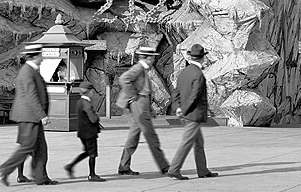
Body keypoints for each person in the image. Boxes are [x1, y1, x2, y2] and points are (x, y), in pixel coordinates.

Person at [0, 43, 57, 186]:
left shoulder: (31, 70)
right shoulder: (27, 71)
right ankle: (4, 170)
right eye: (41, 55)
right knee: (27, 146)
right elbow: (32, 96)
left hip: (31, 116)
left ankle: (41, 177)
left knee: (40, 148)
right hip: (29, 116)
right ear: (34, 56)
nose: (42, 58)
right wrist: (42, 115)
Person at [166, 44, 218, 181]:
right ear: (202, 58)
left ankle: (203, 170)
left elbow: (175, 92)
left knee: (198, 143)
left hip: (186, 113)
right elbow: (194, 96)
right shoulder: (198, 74)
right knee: (187, 142)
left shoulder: (184, 72)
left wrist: (177, 107)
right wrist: (183, 110)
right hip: (193, 115)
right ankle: (174, 169)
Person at [116, 46, 170, 176]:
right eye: (152, 57)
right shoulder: (138, 68)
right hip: (139, 105)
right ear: (148, 58)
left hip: (140, 105)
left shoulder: (143, 69)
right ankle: (164, 166)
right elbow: (124, 79)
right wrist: (134, 95)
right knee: (151, 136)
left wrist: (148, 108)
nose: (153, 60)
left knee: (133, 137)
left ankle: (124, 166)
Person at [64, 81, 105, 182]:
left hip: (82, 132)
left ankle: (70, 166)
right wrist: (96, 116)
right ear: (89, 92)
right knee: (92, 154)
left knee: (87, 152)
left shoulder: (80, 102)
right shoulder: (87, 104)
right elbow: (93, 119)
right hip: (89, 132)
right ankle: (92, 174)